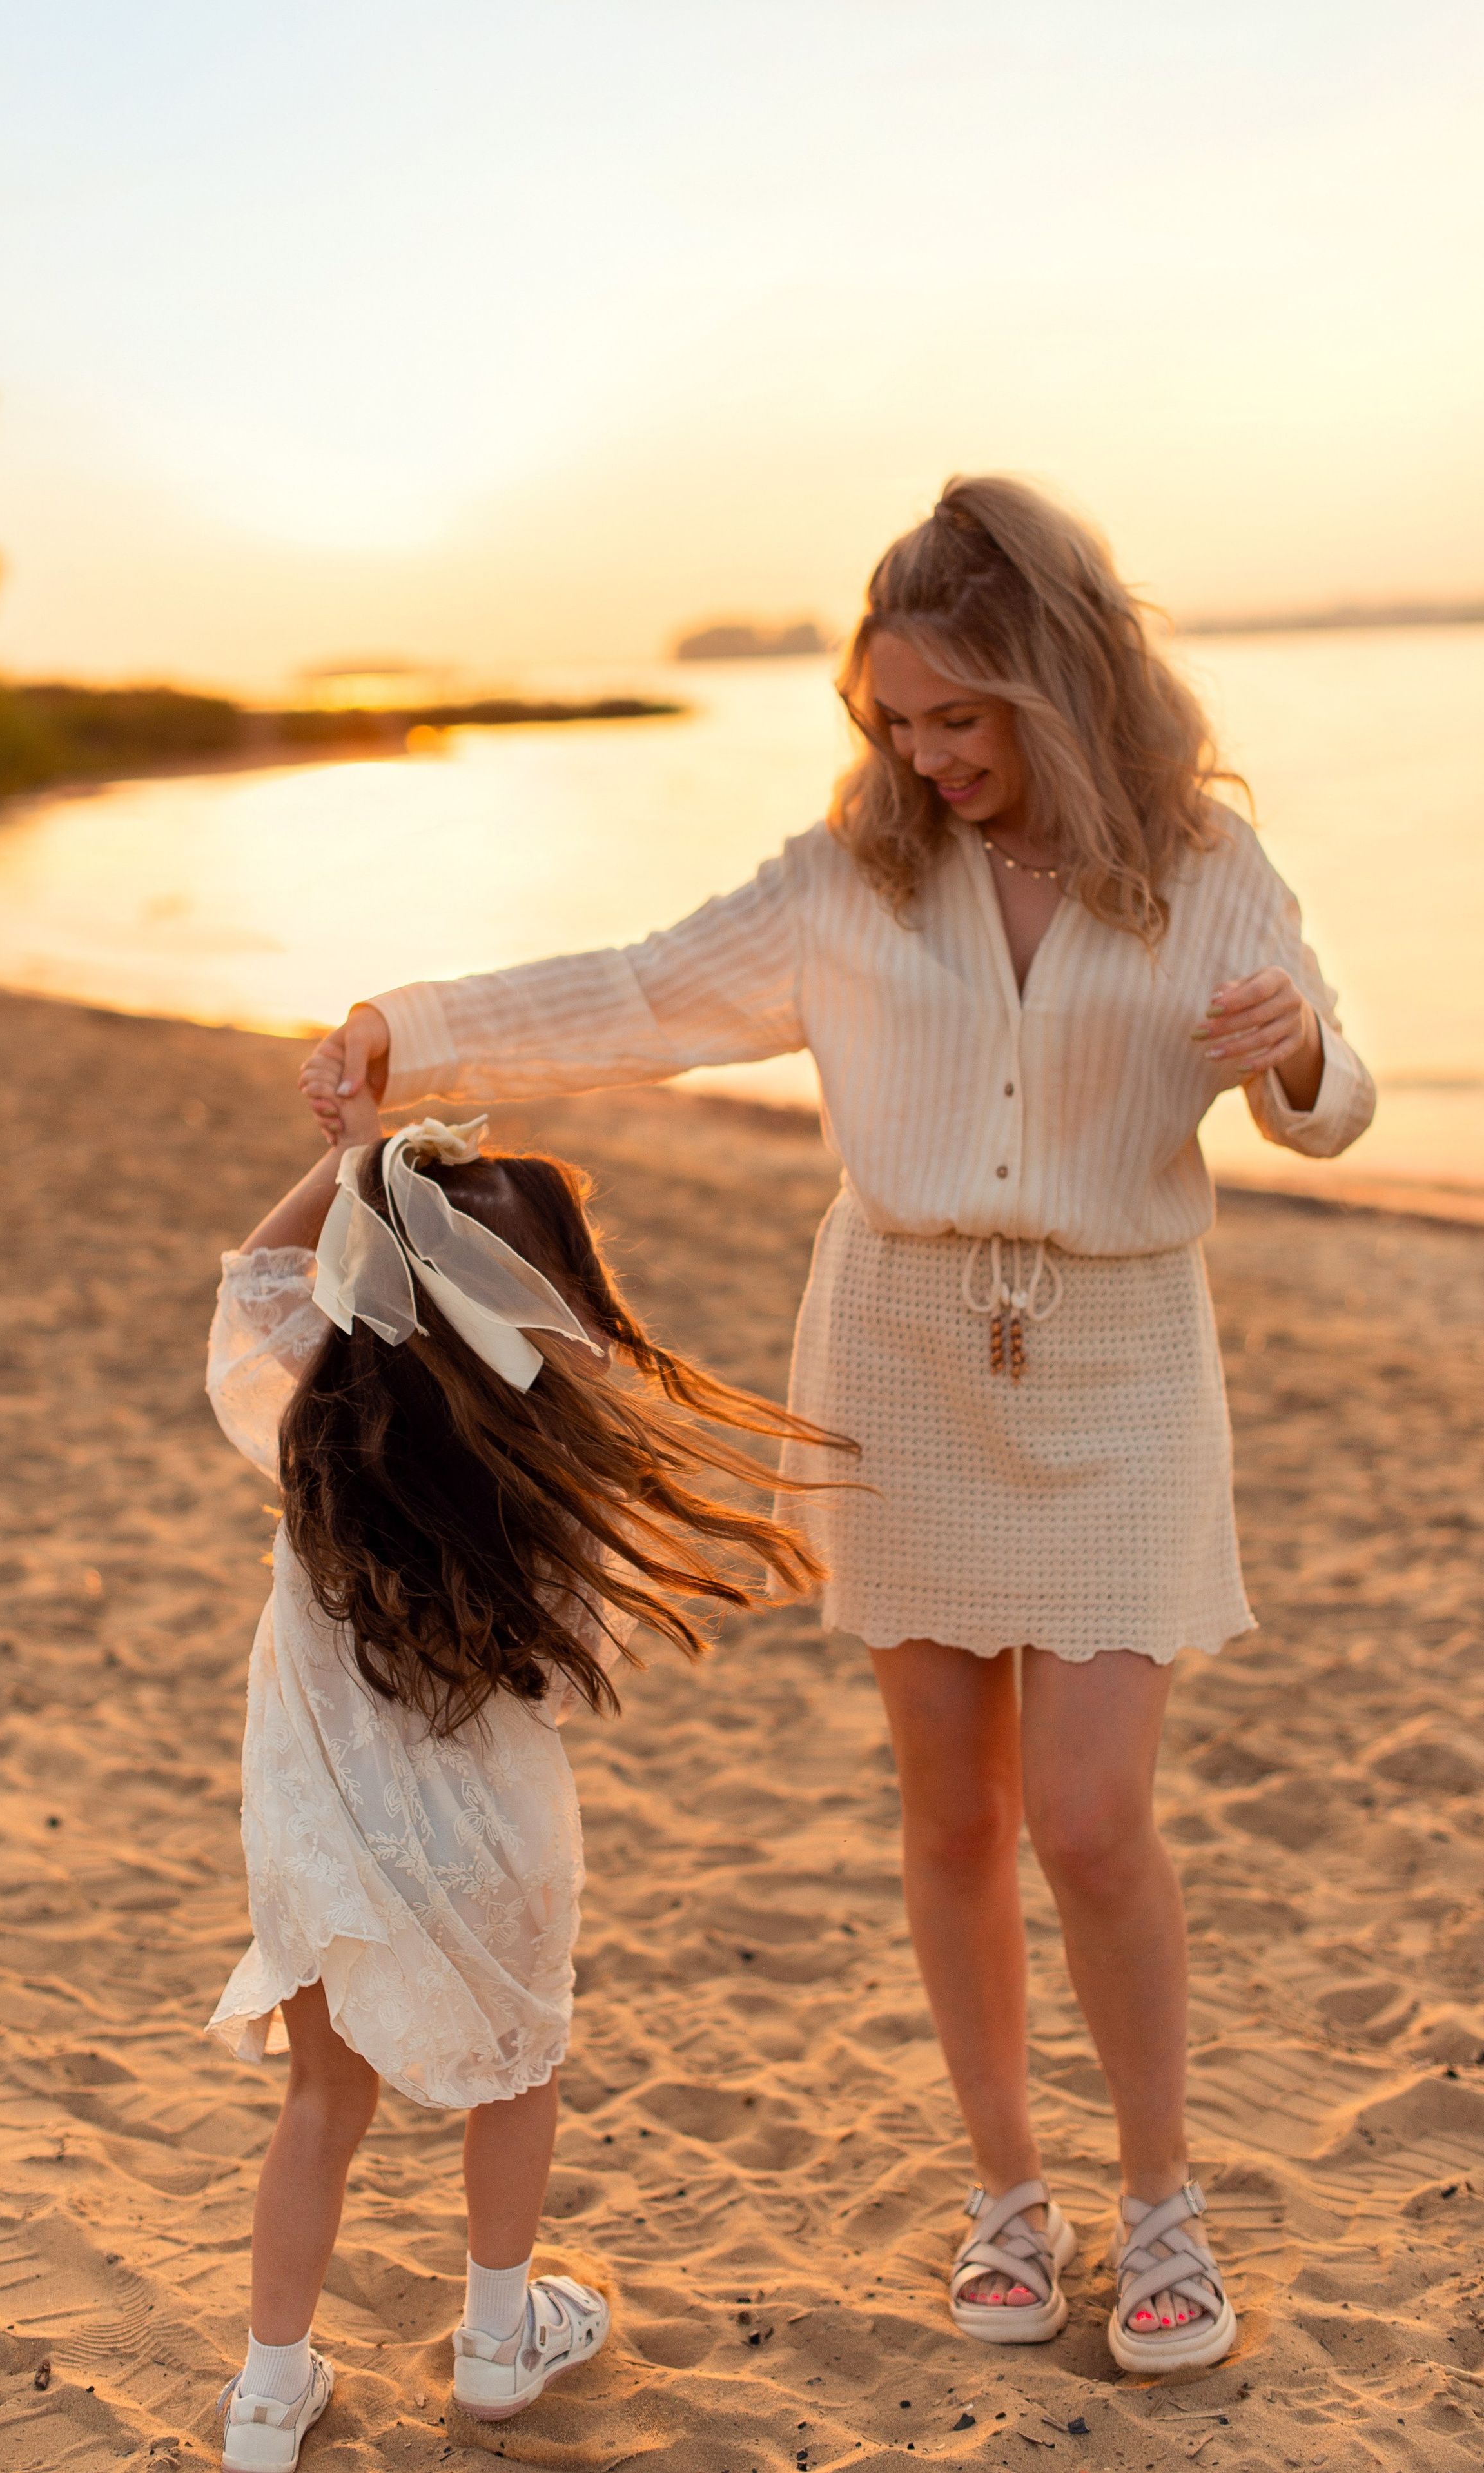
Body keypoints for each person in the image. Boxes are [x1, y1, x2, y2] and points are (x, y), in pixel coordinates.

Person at [298, 475, 1374, 2374]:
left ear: (1063, 680)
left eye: (964, 716)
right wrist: (415, 1018)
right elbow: (637, 992)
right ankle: (1007, 2199)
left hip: (1123, 1357)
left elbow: (1333, 1100)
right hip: (896, 1346)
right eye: (897, 721)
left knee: (1095, 1815)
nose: (930, 754)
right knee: (951, 1811)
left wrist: (1293, 1046)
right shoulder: (846, 880)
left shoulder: (1204, 862)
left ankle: (1162, 2204)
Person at [205, 1085, 835, 2470]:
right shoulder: (554, 1485)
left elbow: (250, 1284)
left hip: (325, 1826)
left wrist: (352, 1163)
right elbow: (565, 1675)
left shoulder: (311, 1431)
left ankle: (265, 2393)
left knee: (321, 2101)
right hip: (495, 1833)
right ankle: (498, 2338)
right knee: (518, 2071)